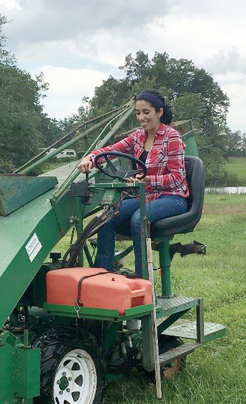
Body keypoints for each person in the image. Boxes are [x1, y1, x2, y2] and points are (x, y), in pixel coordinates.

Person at [77, 90, 189, 277]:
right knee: (106, 218)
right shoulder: (138, 136)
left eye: (146, 112)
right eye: (138, 113)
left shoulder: (172, 137)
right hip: (146, 196)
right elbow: (111, 151)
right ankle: (102, 276)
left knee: (139, 219)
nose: (141, 117)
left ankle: (142, 278)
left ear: (159, 112)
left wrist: (147, 180)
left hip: (173, 198)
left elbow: (177, 178)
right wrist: (91, 158)